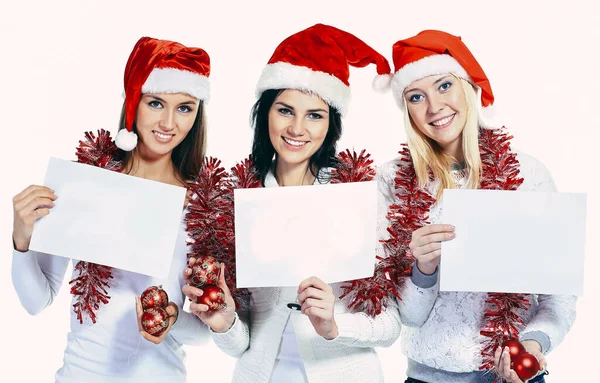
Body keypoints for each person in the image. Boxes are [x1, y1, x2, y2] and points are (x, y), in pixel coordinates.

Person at [182, 24, 402, 383]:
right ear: (265, 112)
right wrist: (223, 320)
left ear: (331, 124)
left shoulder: (358, 193)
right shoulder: (237, 199)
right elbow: (240, 344)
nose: (297, 128)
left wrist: (334, 325)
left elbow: (391, 324)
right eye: (285, 110)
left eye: (315, 115)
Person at [377, 29, 577, 383]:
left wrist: (533, 343)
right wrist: (423, 268)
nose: (434, 107)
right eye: (416, 96)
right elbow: (407, 317)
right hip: (427, 378)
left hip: (512, 372)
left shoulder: (526, 174)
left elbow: (558, 297)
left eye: (443, 86)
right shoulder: (394, 181)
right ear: (406, 108)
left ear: (467, 87)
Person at [11, 36, 212, 382]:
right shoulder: (88, 183)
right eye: (155, 104)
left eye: (184, 108)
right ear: (134, 101)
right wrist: (21, 238)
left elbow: (206, 333)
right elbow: (36, 301)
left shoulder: (200, 204)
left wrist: (173, 318)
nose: (168, 123)